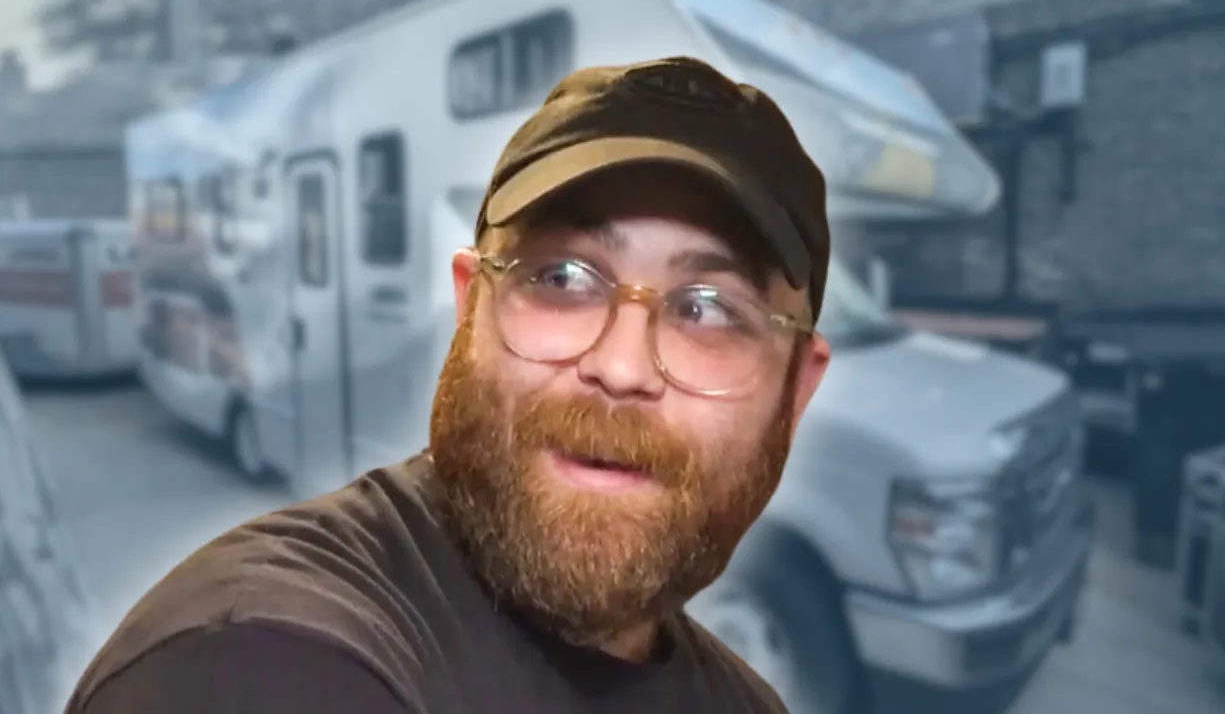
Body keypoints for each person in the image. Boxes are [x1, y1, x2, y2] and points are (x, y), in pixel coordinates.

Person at [63, 55, 833, 713]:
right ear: (470, 311)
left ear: (796, 390)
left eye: (707, 310)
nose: (621, 367)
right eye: (563, 279)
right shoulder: (261, 663)